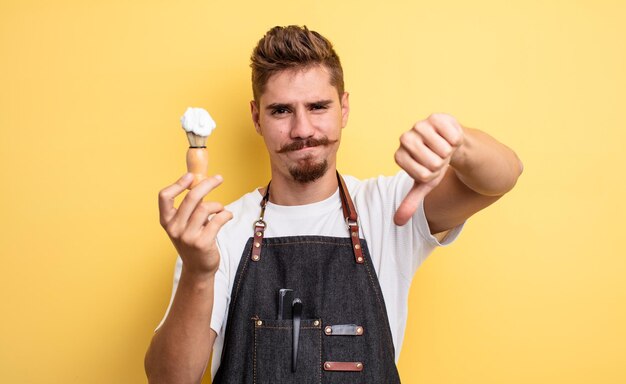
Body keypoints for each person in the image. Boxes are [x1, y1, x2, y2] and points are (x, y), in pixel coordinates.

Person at [145, 25, 523, 384]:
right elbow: (170, 379)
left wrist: (458, 143)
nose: (303, 129)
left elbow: (502, 177)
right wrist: (198, 272)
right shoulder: (217, 232)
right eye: (281, 110)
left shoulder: (386, 208)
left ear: (343, 108)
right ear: (256, 118)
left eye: (318, 106)